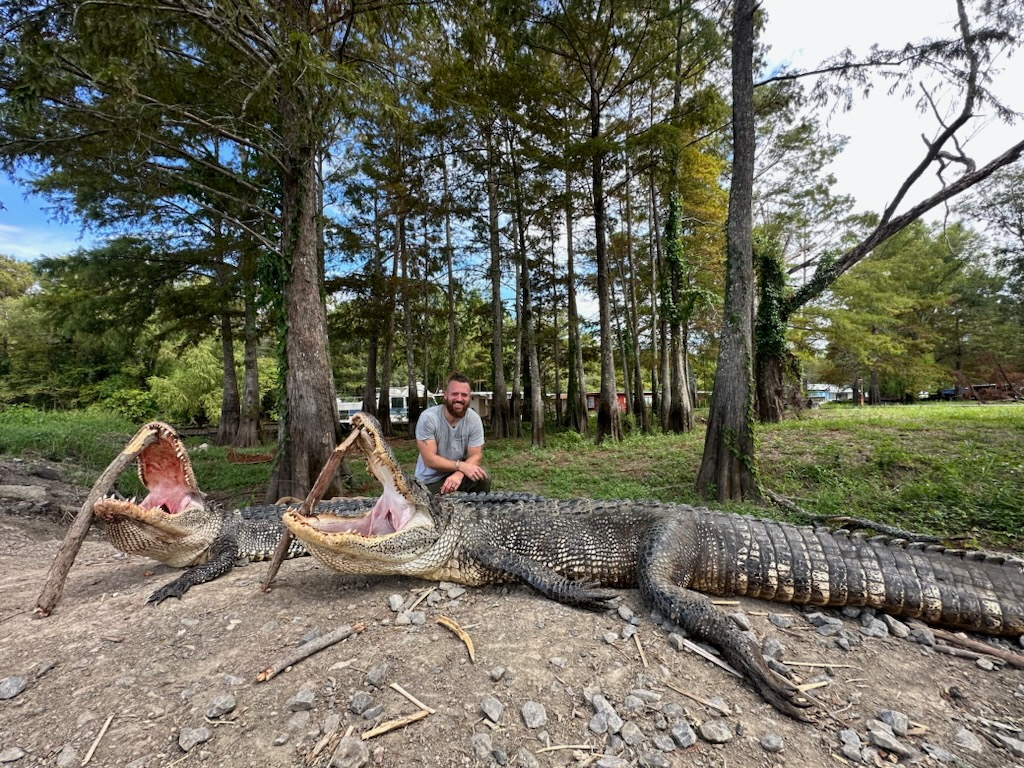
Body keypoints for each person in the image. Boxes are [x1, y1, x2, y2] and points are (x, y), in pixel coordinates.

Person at [415, 372, 491, 495]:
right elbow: (429, 460)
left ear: (469, 396)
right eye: (455, 394)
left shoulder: (474, 420)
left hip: (456, 474)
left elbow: (476, 456)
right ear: (445, 395)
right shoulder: (428, 418)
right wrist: (460, 466)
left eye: (464, 395)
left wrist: (459, 474)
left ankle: (476, 512)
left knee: (482, 478)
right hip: (429, 482)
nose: (459, 399)